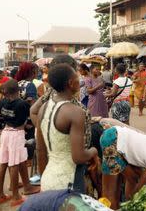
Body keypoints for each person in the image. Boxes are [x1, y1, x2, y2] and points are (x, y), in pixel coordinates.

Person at [30, 55, 92, 195]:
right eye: (77, 76)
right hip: (70, 179)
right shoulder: (75, 112)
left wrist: (43, 176)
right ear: (71, 82)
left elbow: (40, 150)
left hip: (48, 178)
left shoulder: (44, 108)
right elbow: (78, 157)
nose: (79, 79)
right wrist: (93, 151)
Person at [0, 80, 40, 206]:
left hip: (6, 132)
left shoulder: (2, 102)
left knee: (4, 163)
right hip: (16, 134)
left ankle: (1, 194)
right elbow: (28, 121)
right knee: (14, 164)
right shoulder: (22, 104)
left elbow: (3, 116)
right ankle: (16, 196)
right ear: (18, 90)